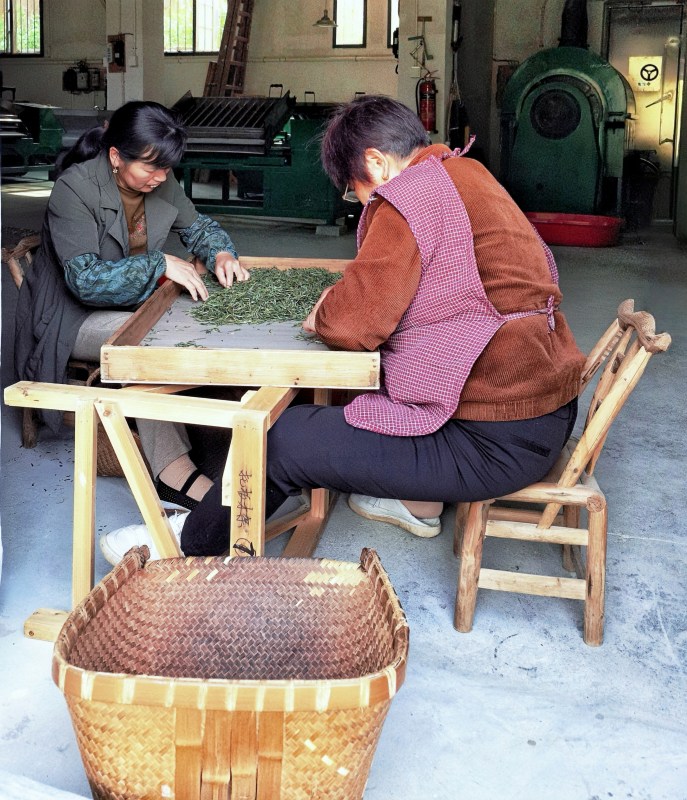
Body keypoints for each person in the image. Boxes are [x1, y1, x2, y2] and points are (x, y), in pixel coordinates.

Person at [100, 94, 585, 563]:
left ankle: (183, 542)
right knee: (357, 396)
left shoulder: (408, 196)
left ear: (375, 162)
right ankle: (417, 500)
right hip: (546, 412)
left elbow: (353, 325)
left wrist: (324, 313)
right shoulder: (465, 171)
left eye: (355, 189)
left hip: (491, 441)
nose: (360, 201)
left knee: (284, 439)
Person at [14, 100, 250, 511]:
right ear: (115, 156)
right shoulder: (74, 189)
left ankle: (215, 435)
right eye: (151, 167)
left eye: (166, 168)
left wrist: (221, 253)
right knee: (150, 344)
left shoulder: (160, 179)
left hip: (129, 305)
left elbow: (198, 228)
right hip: (70, 316)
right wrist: (158, 264)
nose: (160, 177)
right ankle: (172, 474)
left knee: (193, 321)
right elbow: (86, 281)